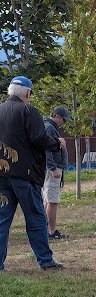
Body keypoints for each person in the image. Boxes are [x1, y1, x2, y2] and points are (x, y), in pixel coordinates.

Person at [0, 75, 67, 271]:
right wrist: (57, 143)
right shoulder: (28, 111)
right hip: (25, 175)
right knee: (36, 218)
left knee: (2, 220)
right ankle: (45, 260)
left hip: (2, 176)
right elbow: (39, 138)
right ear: (27, 93)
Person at [43, 106, 72, 240]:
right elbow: (47, 150)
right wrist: (53, 168)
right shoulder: (49, 128)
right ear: (57, 117)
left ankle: (46, 229)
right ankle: (51, 231)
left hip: (52, 168)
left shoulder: (51, 127)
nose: (64, 123)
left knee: (48, 200)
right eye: (64, 120)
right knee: (52, 200)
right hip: (52, 169)